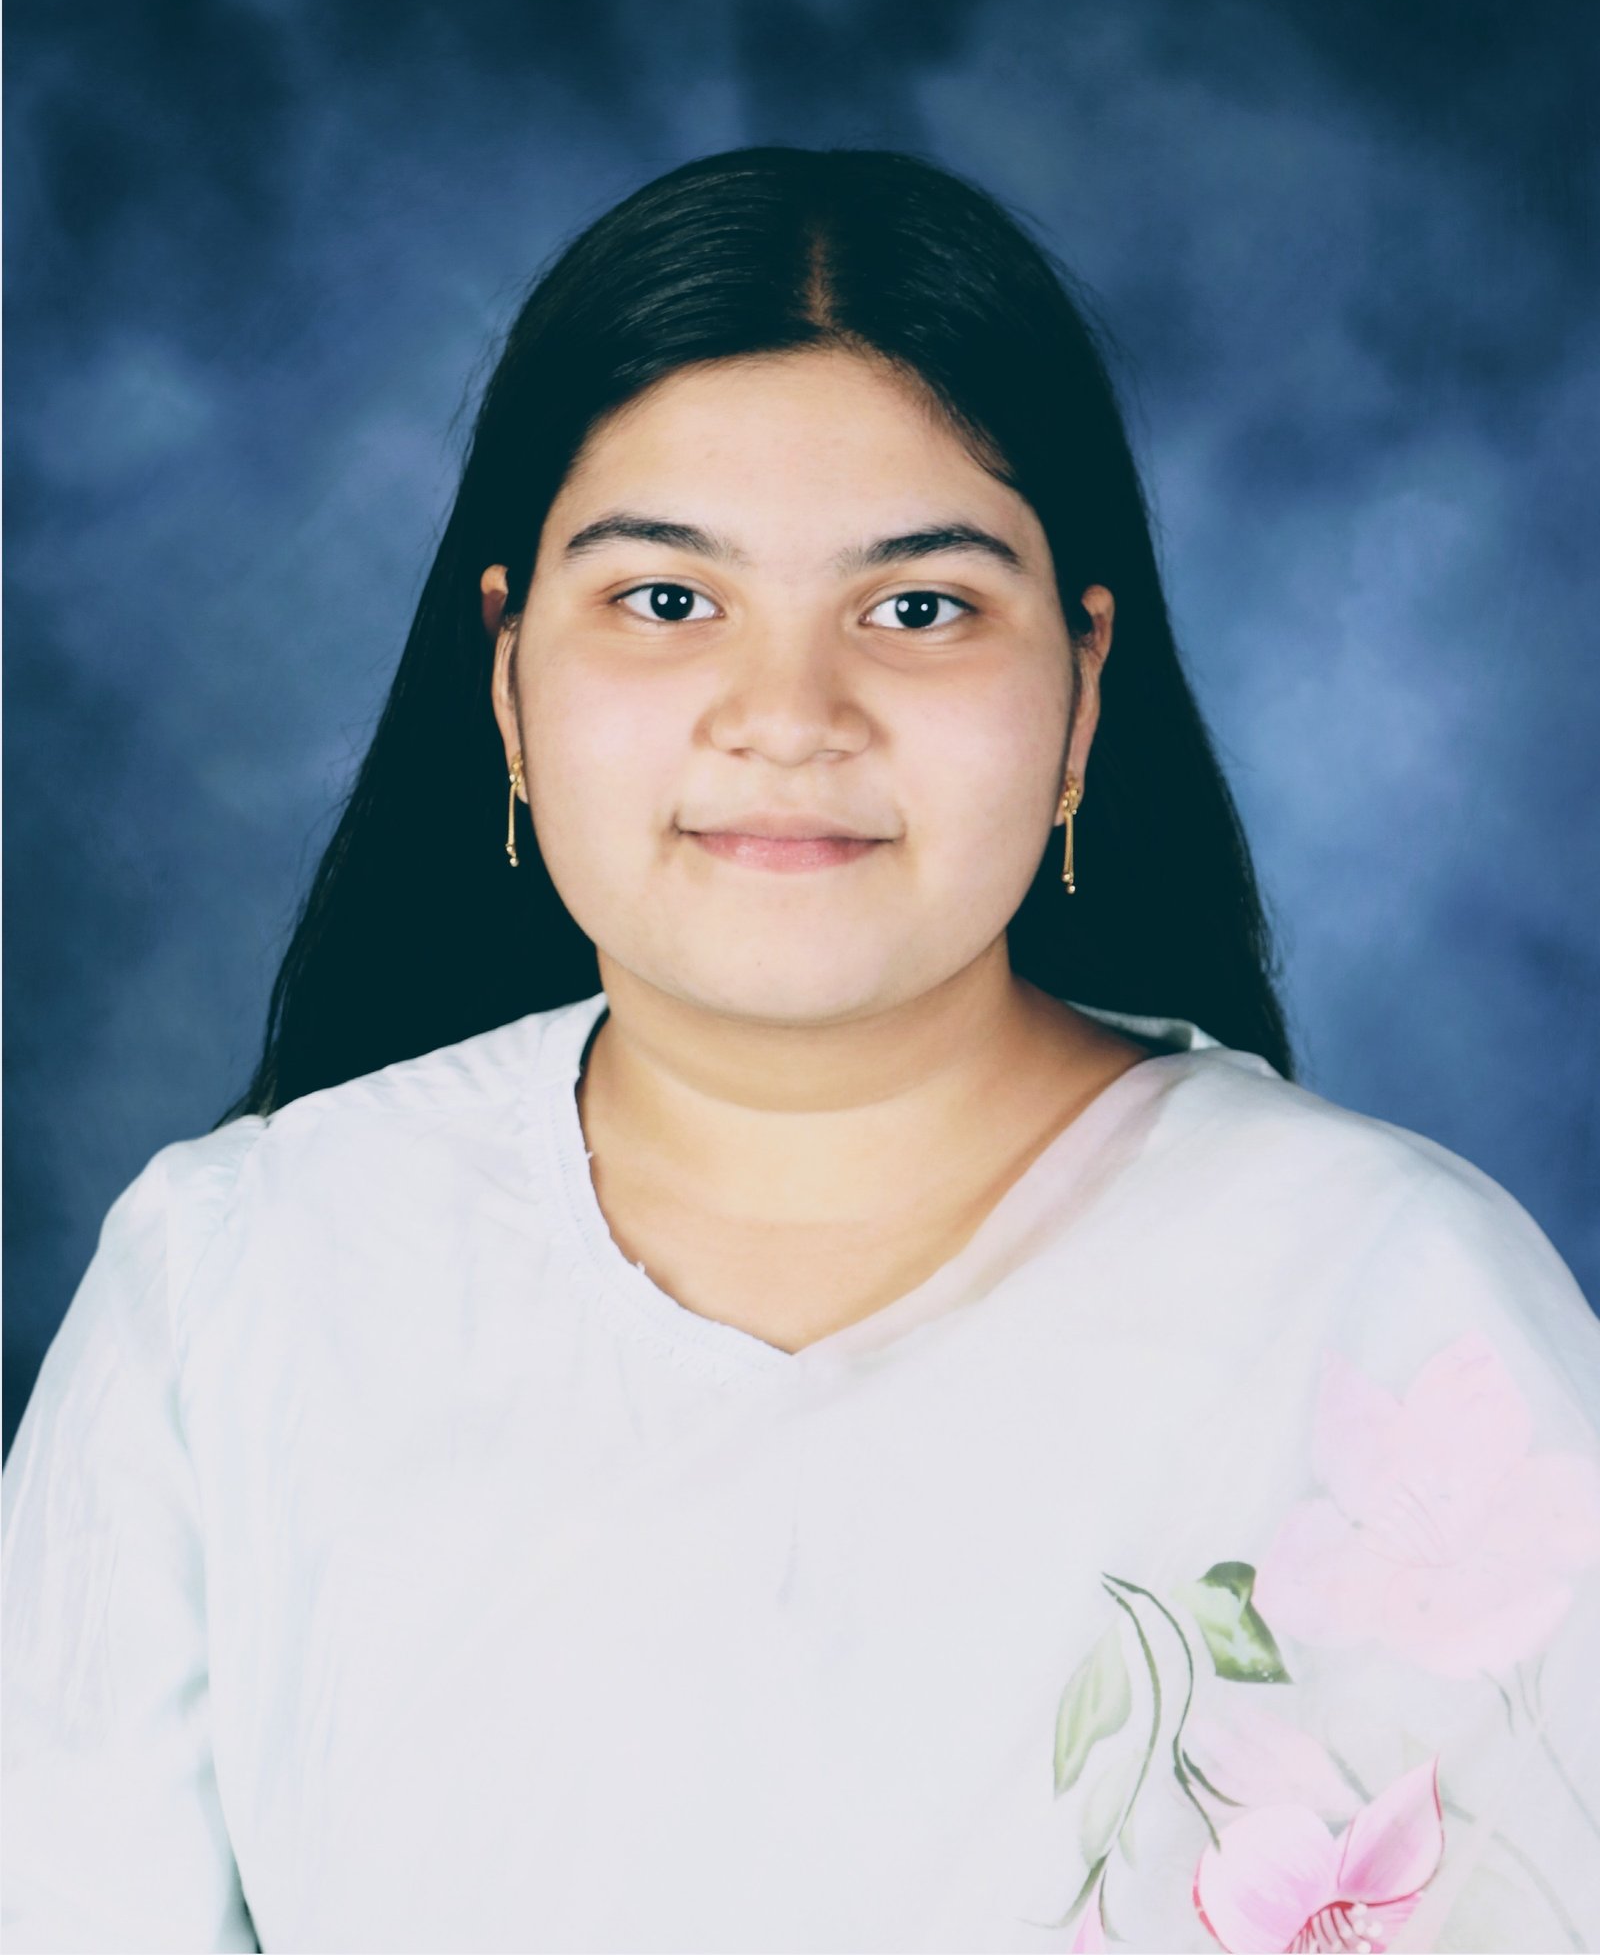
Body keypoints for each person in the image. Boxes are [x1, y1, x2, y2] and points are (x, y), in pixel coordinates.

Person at [4, 145, 1597, 1955]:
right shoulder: (240, 1288)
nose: (787, 717)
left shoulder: (1392, 1306)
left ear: (1083, 686)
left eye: (918, 609)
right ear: (507, 673)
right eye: (666, 600)